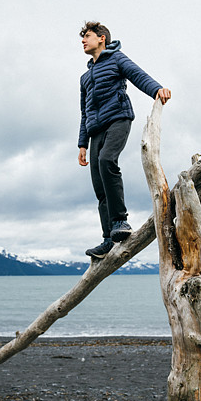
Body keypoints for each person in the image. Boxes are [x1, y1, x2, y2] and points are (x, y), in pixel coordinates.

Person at [77, 21, 171, 258]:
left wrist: (157, 89)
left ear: (101, 39)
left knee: (108, 160)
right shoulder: (85, 78)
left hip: (118, 118)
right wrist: (82, 144)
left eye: (87, 36)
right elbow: (84, 112)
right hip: (95, 129)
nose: (83, 41)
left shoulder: (117, 59)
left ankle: (120, 222)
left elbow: (138, 75)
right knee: (99, 183)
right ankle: (108, 238)